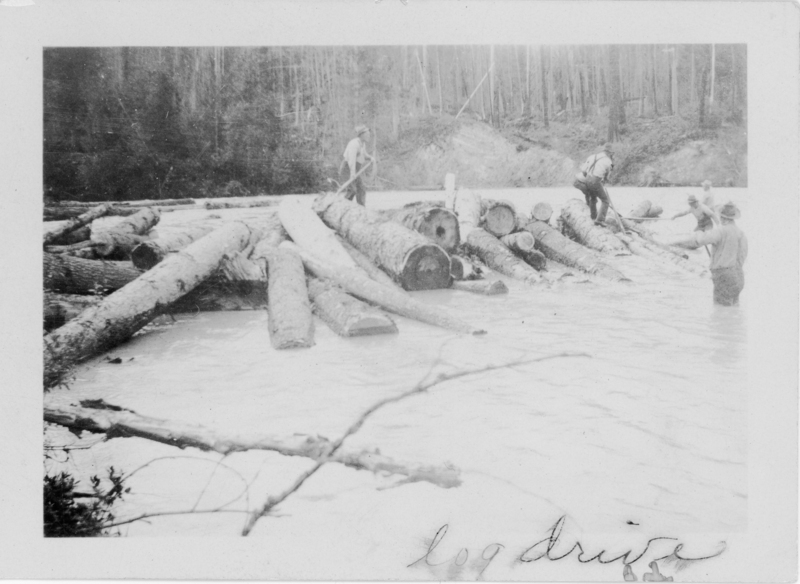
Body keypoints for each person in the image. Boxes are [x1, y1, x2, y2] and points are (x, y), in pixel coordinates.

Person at [679, 202, 748, 306]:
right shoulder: (741, 233)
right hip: (738, 276)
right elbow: (743, 254)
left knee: (720, 309)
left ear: (722, 217)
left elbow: (700, 240)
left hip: (723, 276)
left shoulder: (721, 231)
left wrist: (699, 232)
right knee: (734, 307)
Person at [574, 143, 614, 223]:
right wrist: (601, 180)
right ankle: (600, 220)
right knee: (605, 200)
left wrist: (590, 177)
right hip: (595, 181)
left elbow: (584, 170)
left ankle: (593, 217)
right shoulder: (609, 161)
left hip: (587, 179)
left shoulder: (592, 156)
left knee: (593, 198)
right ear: (610, 153)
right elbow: (606, 177)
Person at [340, 125, 374, 206]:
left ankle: (361, 209)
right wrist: (352, 174)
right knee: (352, 190)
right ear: (361, 135)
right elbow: (351, 160)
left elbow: (364, 154)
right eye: (367, 134)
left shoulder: (362, 143)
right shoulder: (354, 144)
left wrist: (370, 158)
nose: (369, 136)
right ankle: (344, 207)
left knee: (361, 189)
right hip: (347, 169)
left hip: (355, 170)